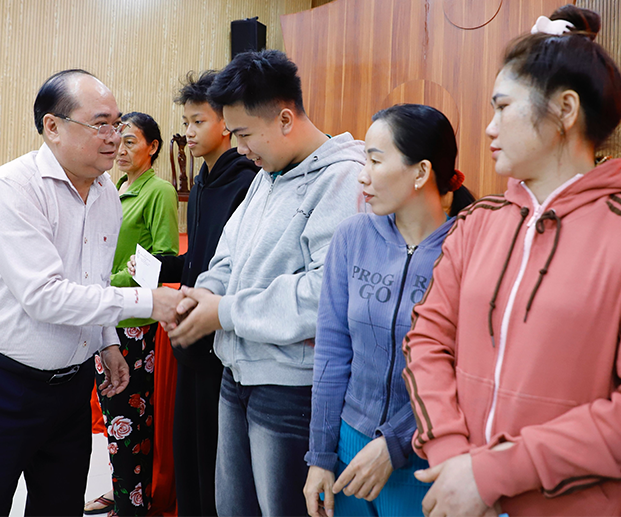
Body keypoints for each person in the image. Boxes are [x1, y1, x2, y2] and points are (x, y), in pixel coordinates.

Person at [403, 5, 621, 517]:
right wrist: (454, 461)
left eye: (503, 107)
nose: (489, 128)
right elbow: (427, 340)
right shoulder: (478, 223)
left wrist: (493, 473)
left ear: (566, 109)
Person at [0, 69, 181, 517]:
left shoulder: (107, 193)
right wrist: (149, 301)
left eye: (117, 124)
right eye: (100, 124)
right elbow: (45, 295)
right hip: (1, 386)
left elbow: (94, 281)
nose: (114, 136)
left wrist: (108, 342)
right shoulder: (14, 188)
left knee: (59, 505)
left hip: (72, 387)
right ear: (52, 126)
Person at [159, 49, 366, 517]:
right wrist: (206, 293)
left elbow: (325, 294)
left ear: (285, 119)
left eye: (244, 134)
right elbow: (228, 254)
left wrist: (224, 312)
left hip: (288, 386)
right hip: (236, 370)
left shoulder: (343, 180)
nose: (239, 148)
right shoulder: (267, 175)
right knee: (232, 507)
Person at [304, 104, 475, 517]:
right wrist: (320, 456)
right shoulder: (352, 236)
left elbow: (465, 370)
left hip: (425, 459)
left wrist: (395, 443)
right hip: (347, 453)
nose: (362, 175)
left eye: (375, 161)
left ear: (421, 172)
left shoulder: (468, 249)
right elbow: (331, 353)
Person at [160, 70, 258, 517]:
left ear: (226, 124)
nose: (189, 131)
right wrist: (162, 266)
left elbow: (237, 271)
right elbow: (199, 258)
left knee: (218, 464)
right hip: (190, 337)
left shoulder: (246, 183)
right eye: (186, 122)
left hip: (221, 343)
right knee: (190, 452)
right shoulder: (201, 180)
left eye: (198, 121)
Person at [85, 112, 179, 517]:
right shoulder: (112, 187)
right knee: (113, 420)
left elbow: (162, 258)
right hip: (104, 315)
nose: (120, 149)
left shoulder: (159, 191)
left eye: (131, 141)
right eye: (117, 140)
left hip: (134, 323)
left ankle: (132, 506)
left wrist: (111, 281)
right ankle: (122, 493)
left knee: (131, 423)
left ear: (153, 147)